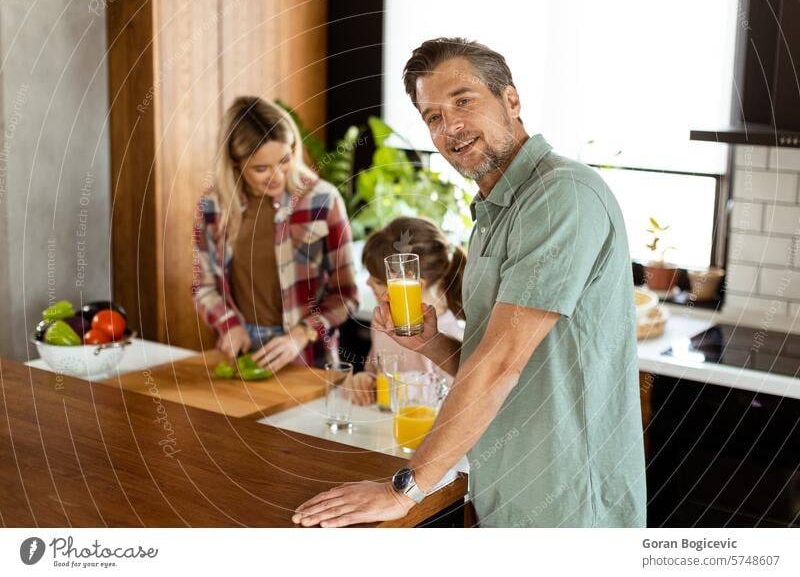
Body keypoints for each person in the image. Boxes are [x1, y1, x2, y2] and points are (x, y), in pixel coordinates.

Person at [293, 38, 646, 528]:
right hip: (506, 490)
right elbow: (494, 362)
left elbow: (502, 364)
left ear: (512, 100)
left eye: (463, 100)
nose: (450, 126)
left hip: (568, 504)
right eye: (432, 116)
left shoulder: (561, 195)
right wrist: (431, 342)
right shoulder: (494, 213)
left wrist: (406, 489)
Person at [192, 96, 358, 370]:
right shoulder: (212, 207)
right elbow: (204, 286)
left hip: (309, 356)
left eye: (285, 160)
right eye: (261, 169)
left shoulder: (323, 200)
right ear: (235, 163)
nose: (277, 176)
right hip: (242, 351)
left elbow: (347, 295)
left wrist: (301, 333)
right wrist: (228, 326)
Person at [350, 217, 466, 405]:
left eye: (378, 281)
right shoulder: (384, 320)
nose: (367, 282)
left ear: (412, 286)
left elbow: (453, 401)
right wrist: (365, 379)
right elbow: (375, 369)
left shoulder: (450, 336)